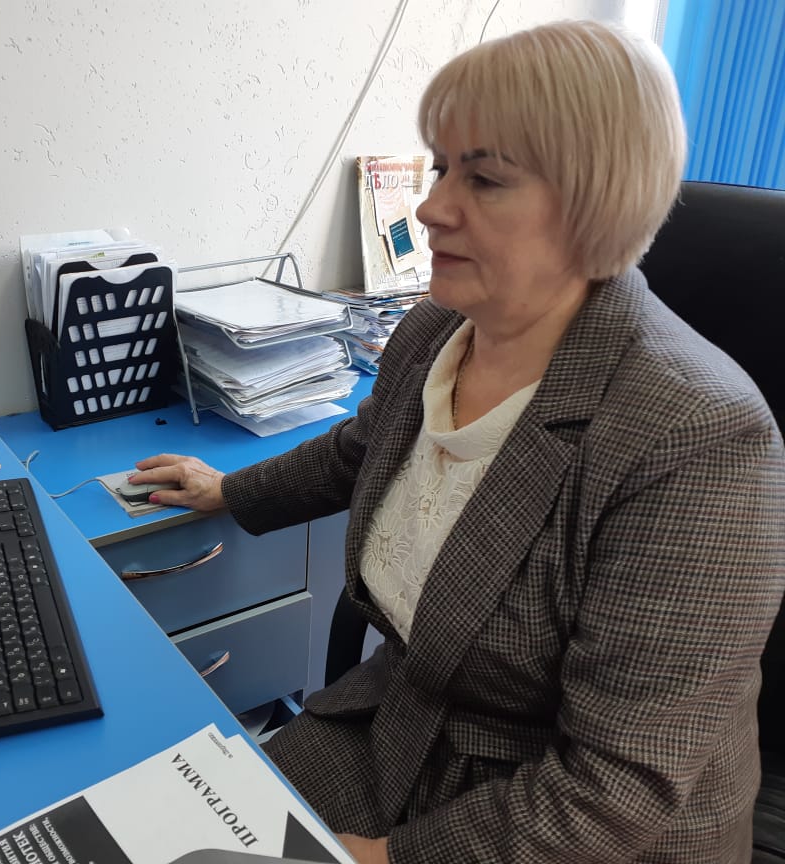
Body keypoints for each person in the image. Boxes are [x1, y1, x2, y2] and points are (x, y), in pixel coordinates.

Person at [127, 19, 785, 864]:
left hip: (574, 825)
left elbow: (615, 791)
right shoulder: (437, 329)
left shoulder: (700, 440)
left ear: (599, 198)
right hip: (405, 729)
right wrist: (228, 490)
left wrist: (373, 860)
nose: (432, 208)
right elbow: (359, 453)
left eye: (486, 179)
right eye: (441, 168)